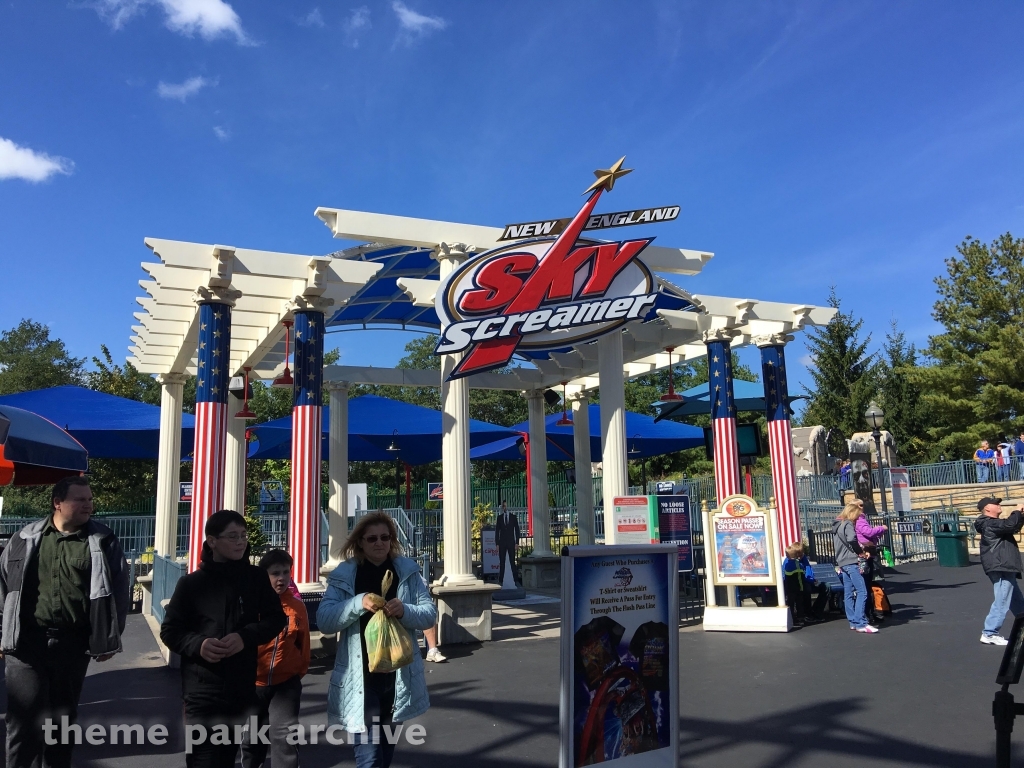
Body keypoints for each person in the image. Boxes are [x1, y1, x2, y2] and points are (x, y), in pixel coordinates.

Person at [0, 476, 130, 768]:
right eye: (80, 499)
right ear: (57, 503)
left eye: (90, 499)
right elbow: (3, 587)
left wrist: (111, 635)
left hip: (72, 644)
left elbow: (119, 592)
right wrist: (2, 634)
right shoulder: (24, 538)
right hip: (26, 644)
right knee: (23, 721)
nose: (88, 505)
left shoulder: (102, 540)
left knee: (61, 722)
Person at [161, 510, 286, 768]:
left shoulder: (255, 578)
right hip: (201, 687)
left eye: (243, 535)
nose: (240, 541)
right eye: (232, 536)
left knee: (227, 756)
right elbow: (171, 630)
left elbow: (276, 619)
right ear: (212, 540)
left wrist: (245, 637)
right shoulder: (191, 584)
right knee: (202, 759)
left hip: (239, 684)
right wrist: (199, 645)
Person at [318, 511, 437, 768]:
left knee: (385, 752)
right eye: (371, 539)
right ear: (360, 542)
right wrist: (357, 603)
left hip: (398, 677)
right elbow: (325, 620)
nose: (379, 543)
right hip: (361, 678)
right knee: (370, 758)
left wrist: (405, 610)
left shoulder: (407, 571)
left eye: (385, 537)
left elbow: (429, 615)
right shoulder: (344, 575)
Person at [241, 549, 310, 768]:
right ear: (265, 575)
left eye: (285, 572)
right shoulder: (252, 605)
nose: (281, 578)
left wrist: (298, 671)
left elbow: (303, 642)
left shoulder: (297, 607)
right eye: (275, 573)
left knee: (285, 737)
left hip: (285, 683)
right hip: (254, 683)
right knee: (253, 738)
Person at [975, 497, 1024, 645]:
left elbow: (1013, 526)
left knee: (1016, 600)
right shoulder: (988, 523)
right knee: (1002, 599)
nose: (999, 505)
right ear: (987, 508)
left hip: (1005, 566)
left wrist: (1020, 514)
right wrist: (1017, 511)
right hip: (1001, 565)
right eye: (995, 503)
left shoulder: (992, 524)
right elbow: (1010, 524)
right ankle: (989, 632)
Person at [832, 502, 877, 633]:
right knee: (862, 591)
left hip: (842, 561)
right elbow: (852, 539)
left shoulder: (837, 525)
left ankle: (852, 621)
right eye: (857, 516)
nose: (857, 519)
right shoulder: (848, 524)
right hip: (851, 561)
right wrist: (861, 552)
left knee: (848, 593)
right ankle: (861, 622)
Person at [854, 499, 888, 624]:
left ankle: (870, 612)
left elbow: (868, 535)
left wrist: (876, 534)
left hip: (868, 553)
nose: (863, 507)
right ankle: (867, 614)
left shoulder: (860, 519)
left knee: (868, 585)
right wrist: (881, 528)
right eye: (860, 505)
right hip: (866, 555)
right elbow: (868, 532)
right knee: (867, 586)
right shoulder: (860, 519)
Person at [780, 543, 826, 624]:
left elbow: (808, 571)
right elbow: (785, 574)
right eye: (799, 554)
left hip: (806, 581)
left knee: (826, 587)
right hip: (796, 585)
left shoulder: (803, 559)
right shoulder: (788, 562)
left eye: (802, 554)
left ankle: (816, 612)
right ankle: (804, 614)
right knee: (804, 591)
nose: (801, 556)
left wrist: (812, 580)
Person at [495, 499, 521, 587]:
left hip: (511, 542)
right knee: (502, 562)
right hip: (502, 542)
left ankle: (516, 580)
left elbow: (517, 530)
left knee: (512, 561)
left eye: (505, 506)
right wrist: (497, 544)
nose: (504, 507)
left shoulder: (513, 517)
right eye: (503, 506)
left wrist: (517, 542)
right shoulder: (499, 518)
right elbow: (497, 531)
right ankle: (500, 581)